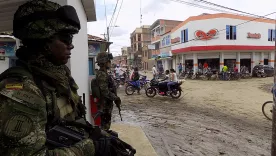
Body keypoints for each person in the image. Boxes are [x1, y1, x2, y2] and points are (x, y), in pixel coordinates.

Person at [0, 1, 131, 155]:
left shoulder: (58, 75)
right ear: (43, 41)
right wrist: (91, 147)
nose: (71, 46)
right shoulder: (21, 88)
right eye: (66, 39)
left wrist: (98, 135)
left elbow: (72, 119)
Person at [95, 52, 121, 130]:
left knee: (106, 125)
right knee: (105, 127)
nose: (110, 63)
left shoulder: (104, 73)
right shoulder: (102, 74)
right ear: (104, 62)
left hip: (106, 105)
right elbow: (105, 91)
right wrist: (115, 98)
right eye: (109, 61)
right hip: (104, 106)